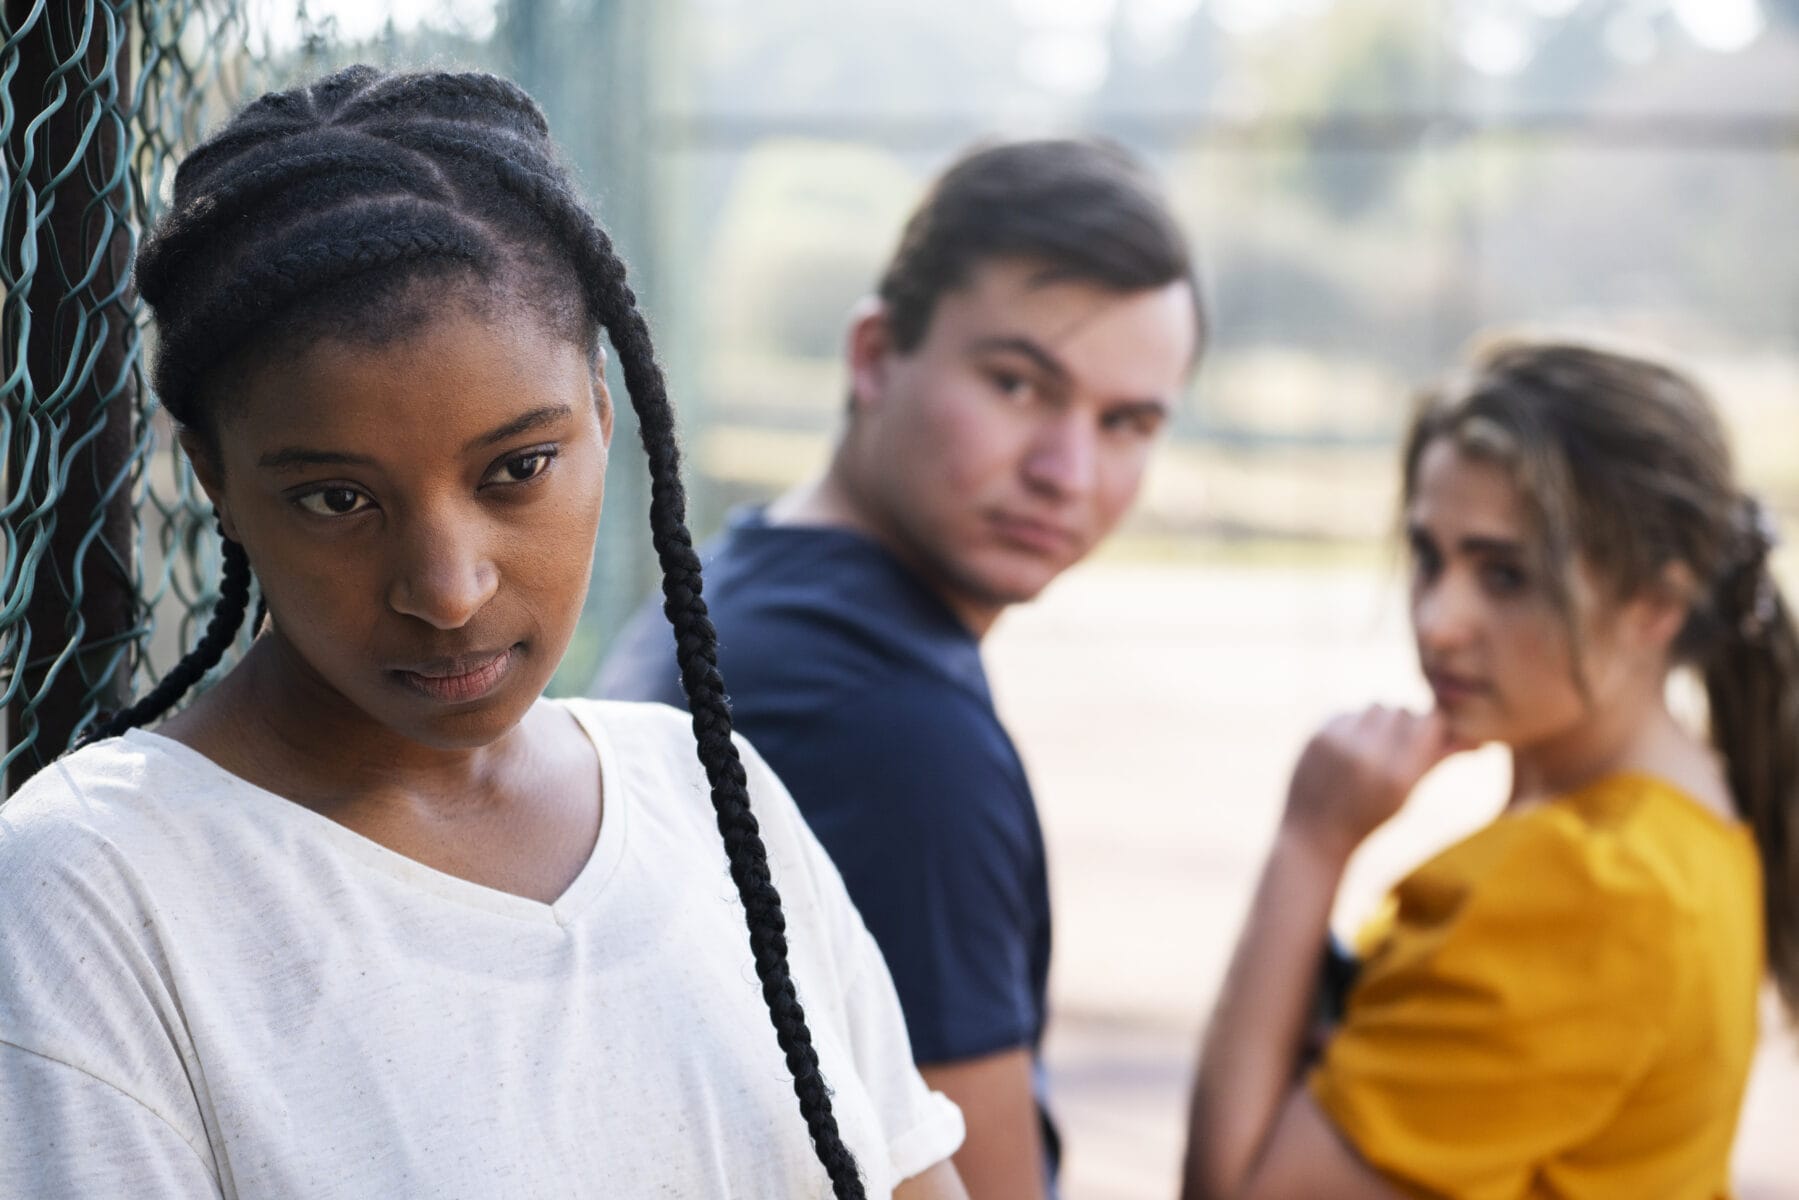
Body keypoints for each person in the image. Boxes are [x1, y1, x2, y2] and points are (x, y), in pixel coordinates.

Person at [0, 67, 969, 1200]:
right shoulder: (92, 893)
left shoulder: (709, 799)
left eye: (517, 470)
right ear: (211, 474)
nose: (447, 591)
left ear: (603, 415)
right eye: (337, 499)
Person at [598, 138, 1202, 1196]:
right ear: (874, 353)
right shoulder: (891, 734)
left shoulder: (744, 590)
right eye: (1018, 384)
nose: (1068, 471)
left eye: (1125, 423)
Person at [1180, 339, 1796, 1200]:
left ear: (1654, 604)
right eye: (1429, 556)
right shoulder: (1682, 821)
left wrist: (1309, 844)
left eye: (1506, 575)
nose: (1438, 621)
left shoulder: (1598, 885)